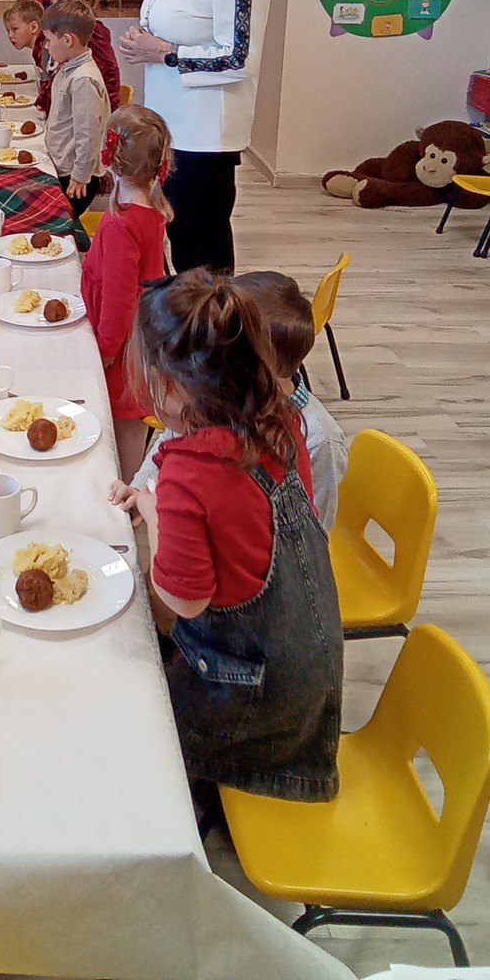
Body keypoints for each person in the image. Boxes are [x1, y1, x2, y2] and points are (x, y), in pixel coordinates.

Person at [110, 271, 343, 803]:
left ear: (169, 386)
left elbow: (183, 600)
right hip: (309, 679)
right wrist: (152, 502)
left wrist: (157, 511)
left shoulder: (189, 472)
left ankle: (185, 801)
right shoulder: (280, 423)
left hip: (251, 705)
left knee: (127, 727)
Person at [119, 0, 270, 275]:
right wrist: (148, 39)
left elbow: (238, 57)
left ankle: (209, 324)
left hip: (204, 140)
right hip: (172, 133)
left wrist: (164, 53)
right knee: (180, 248)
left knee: (202, 262)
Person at [80, 105, 172, 481]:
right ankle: (130, 489)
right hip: (138, 338)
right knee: (129, 423)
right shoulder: (151, 209)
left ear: (110, 158)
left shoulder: (122, 223)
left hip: (121, 347)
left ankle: (125, 494)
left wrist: (105, 350)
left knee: (123, 426)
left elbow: (120, 298)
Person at [233, 270, 349, 530]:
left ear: (262, 365)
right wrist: (143, 487)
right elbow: (170, 439)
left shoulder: (320, 440)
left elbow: (312, 533)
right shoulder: (224, 392)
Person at [42, 0, 108, 227]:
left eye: (49, 40)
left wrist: (80, 175)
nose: (46, 46)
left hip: (75, 177)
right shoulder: (69, 68)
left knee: (60, 225)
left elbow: (87, 132)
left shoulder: (83, 79)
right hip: (63, 168)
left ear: (68, 40)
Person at [48, 0, 122, 110]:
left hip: (90, 108)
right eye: (53, 3)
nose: (54, 10)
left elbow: (109, 76)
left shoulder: (93, 34)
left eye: (61, 4)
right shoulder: (63, 31)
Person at [1, 0, 51, 113]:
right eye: (8, 31)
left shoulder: (45, 50)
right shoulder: (38, 48)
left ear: (33, 27)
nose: (10, 35)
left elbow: (48, 87)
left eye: (15, 29)